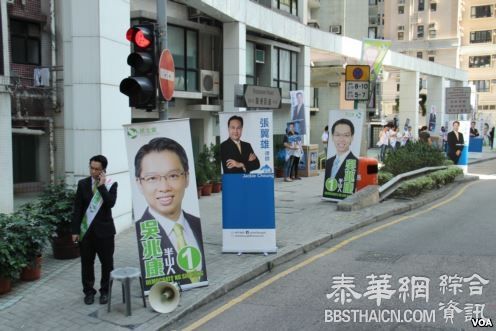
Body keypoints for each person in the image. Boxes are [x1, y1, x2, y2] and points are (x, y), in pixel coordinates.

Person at [134, 137, 207, 286]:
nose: (164, 187)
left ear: (186, 178)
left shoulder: (196, 224)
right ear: (140, 184)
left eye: (173, 175)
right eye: (152, 178)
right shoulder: (143, 231)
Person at [72, 155, 118, 305]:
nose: (93, 171)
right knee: (86, 264)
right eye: (91, 168)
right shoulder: (82, 184)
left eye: (97, 169)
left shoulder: (111, 184)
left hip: (105, 233)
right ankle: (89, 292)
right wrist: (75, 231)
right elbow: (77, 209)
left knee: (107, 264)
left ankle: (105, 292)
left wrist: (101, 186)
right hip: (87, 233)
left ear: (103, 170)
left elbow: (110, 203)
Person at [323, 119, 358, 196]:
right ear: (332, 137)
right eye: (337, 135)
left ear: (352, 138)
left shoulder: (354, 162)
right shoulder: (329, 161)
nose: (341, 139)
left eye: (346, 135)